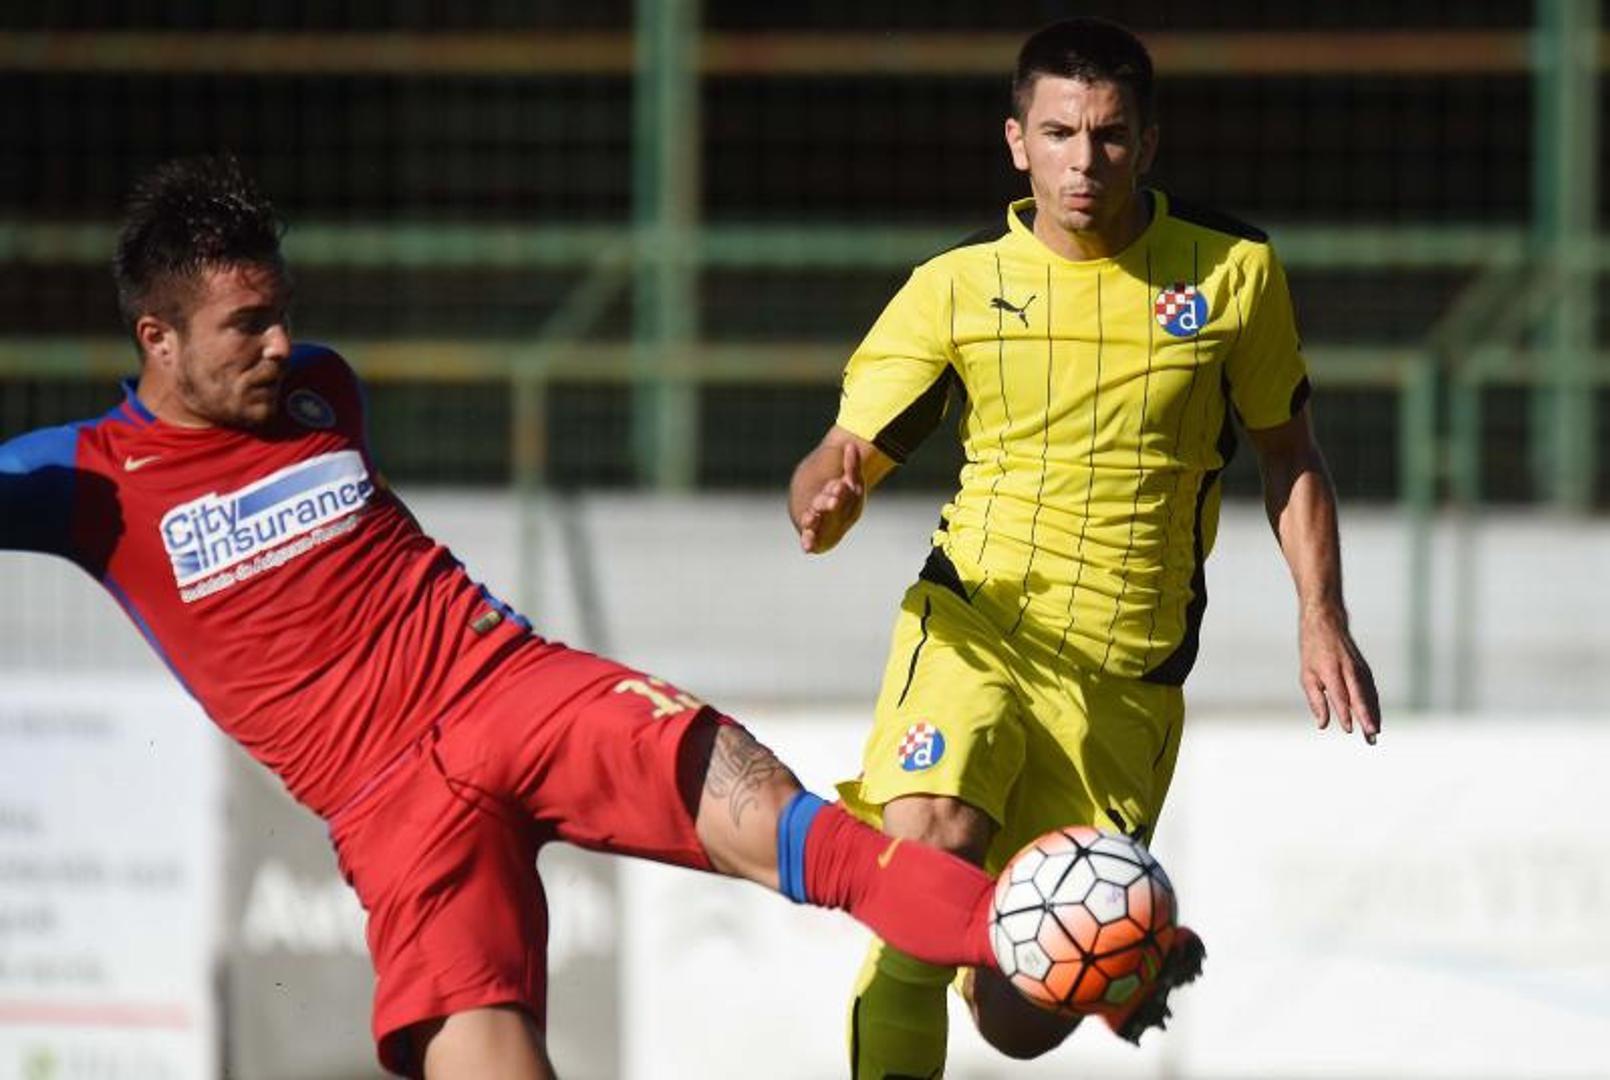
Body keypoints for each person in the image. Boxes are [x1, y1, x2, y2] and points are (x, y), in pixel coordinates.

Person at [0, 155, 1015, 1080]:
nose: (280, 344)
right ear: (158, 338)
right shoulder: (89, 480)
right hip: (391, 806)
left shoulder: (319, 389)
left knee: (795, 825)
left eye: (283, 313)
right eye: (247, 324)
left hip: (508, 685)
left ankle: (1026, 931)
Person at [789, 16, 1382, 1078]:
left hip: (1124, 678)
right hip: (976, 626)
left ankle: (1114, 959)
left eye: (1109, 135)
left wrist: (1320, 613)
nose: (1084, 161)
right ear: (1016, 141)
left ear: (1146, 144)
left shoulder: (1232, 271)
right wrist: (825, 499)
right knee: (925, 858)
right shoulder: (953, 286)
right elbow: (841, 452)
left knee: (1018, 1021)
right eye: (1059, 133)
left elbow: (1289, 454)